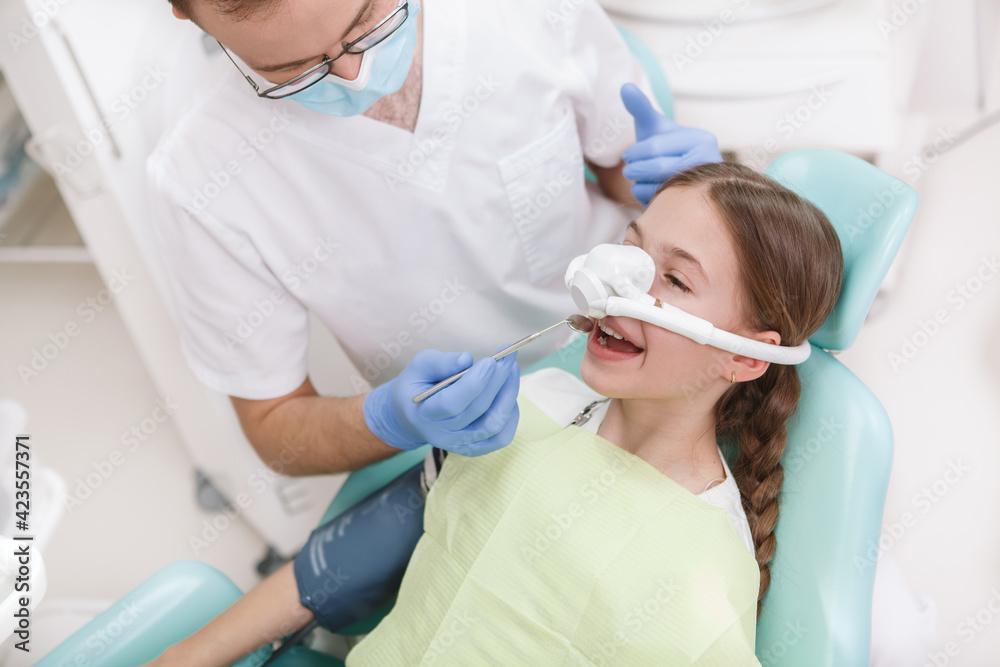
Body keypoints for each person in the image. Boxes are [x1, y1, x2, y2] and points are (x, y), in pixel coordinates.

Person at [145, 161, 844, 666]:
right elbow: (349, 559)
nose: (615, 283)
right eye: (630, 251)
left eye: (675, 278)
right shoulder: (530, 409)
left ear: (746, 357)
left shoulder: (699, 582)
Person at [148, 0, 722, 476]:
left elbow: (621, 167)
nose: (354, 75)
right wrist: (390, 418)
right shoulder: (199, 178)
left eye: (366, 23)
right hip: (481, 443)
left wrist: (681, 186)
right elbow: (275, 427)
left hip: (655, 350)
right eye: (294, 70)